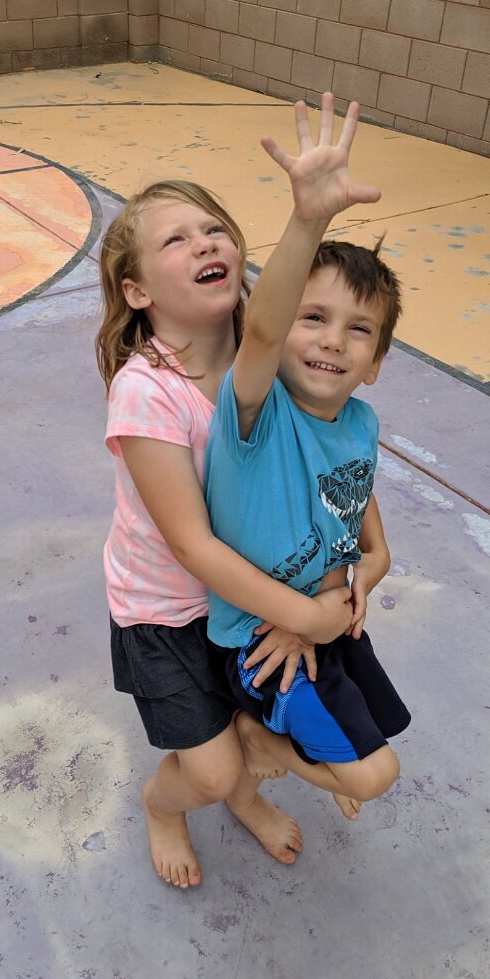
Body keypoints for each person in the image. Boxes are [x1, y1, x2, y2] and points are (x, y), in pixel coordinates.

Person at [96, 94, 382, 888]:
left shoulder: (279, 360)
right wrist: (307, 617)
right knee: (211, 769)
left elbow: (331, 472)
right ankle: (165, 806)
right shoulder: (147, 393)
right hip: (168, 609)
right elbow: (192, 547)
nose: (204, 242)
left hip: (257, 596)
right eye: (176, 240)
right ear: (137, 291)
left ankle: (247, 791)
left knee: (254, 728)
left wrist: (344, 579)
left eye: (214, 229)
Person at [204, 94, 411, 821]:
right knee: (373, 776)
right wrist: (307, 220)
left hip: (320, 620)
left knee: (380, 726)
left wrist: (340, 597)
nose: (331, 340)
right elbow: (262, 331)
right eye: (313, 317)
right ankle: (259, 742)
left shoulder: (359, 423)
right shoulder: (255, 414)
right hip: (258, 645)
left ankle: (294, 755)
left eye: (359, 330)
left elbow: (365, 539)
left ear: (376, 363)